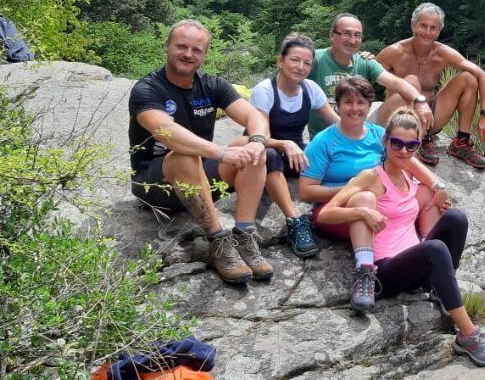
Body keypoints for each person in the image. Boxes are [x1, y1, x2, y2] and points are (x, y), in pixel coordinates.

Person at [317, 108, 485, 367]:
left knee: (456, 218)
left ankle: (442, 289)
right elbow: (326, 214)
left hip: (414, 263)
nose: (403, 150)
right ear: (386, 142)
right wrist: (362, 212)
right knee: (436, 249)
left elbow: (431, 188)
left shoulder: (408, 173)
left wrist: (437, 190)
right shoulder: (370, 177)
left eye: (411, 145)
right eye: (397, 143)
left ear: (417, 146)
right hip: (386, 269)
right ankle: (468, 336)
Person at [128, 20, 274, 286]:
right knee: (184, 154)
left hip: (198, 179)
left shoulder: (212, 85)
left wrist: (256, 140)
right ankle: (217, 241)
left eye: (196, 49)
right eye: (181, 46)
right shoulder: (147, 89)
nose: (188, 54)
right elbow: (166, 132)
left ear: (204, 55)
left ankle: (243, 233)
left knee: (253, 150)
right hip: (154, 183)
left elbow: (254, 115)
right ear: (167, 47)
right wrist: (220, 152)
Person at [298, 76, 445, 241]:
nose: (355, 108)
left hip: (383, 201)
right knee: (364, 199)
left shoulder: (378, 134)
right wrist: (355, 188)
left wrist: (438, 186)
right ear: (337, 107)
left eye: (361, 103)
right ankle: (367, 262)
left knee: (428, 192)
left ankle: (429, 245)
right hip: (340, 209)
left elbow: (408, 161)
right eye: (348, 102)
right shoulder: (323, 142)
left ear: (369, 106)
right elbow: (306, 191)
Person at [243, 33, 338, 259]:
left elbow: (337, 124)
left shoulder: (310, 89)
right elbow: (258, 136)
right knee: (271, 156)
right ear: (280, 61)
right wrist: (284, 144)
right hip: (263, 152)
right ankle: (294, 220)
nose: (301, 67)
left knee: (329, 160)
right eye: (295, 60)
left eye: (307, 63)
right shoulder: (265, 91)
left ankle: (336, 209)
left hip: (295, 153)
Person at [375, 3, 485, 170]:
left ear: (439, 31)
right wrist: (364, 59)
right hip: (397, 118)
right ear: (413, 25)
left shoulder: (442, 53)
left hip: (429, 118)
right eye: (423, 26)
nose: (428, 32)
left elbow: (483, 76)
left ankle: (461, 142)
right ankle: (416, 140)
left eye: (433, 28)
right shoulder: (395, 52)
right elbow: (364, 76)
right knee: (411, 81)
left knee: (469, 78)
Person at [306, 12, 433, 139]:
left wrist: (421, 101)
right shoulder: (316, 59)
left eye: (358, 35)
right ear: (332, 35)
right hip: (327, 136)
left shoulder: (364, 61)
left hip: (360, 127)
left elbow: (396, 83)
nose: (352, 40)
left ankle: (401, 141)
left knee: (412, 82)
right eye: (346, 34)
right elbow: (289, 75)